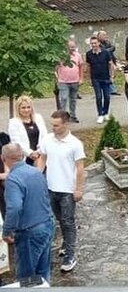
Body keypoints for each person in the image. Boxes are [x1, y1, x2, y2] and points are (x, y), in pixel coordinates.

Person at [36, 110, 85, 273]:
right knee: (59, 219)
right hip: (50, 187)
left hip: (67, 190)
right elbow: (42, 157)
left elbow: (80, 168)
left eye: (56, 125)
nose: (53, 128)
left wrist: (78, 189)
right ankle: (65, 243)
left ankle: (70, 255)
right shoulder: (48, 140)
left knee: (68, 221)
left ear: (65, 124)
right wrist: (37, 176)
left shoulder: (75, 144)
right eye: (52, 125)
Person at [1, 143, 54, 282]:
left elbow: (15, 207)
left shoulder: (13, 179)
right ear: (22, 156)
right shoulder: (36, 172)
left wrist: (7, 231)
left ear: (3, 158)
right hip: (47, 224)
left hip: (29, 232)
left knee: (27, 278)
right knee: (43, 273)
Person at [8, 96, 48, 167]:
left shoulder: (38, 117)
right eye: (23, 108)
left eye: (28, 107)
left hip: (41, 156)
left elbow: (45, 136)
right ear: (18, 109)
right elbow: (16, 142)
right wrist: (30, 153)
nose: (26, 110)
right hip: (25, 157)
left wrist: (39, 151)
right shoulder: (13, 122)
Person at [86, 36, 115, 124]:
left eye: (95, 43)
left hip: (105, 78)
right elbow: (88, 66)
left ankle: (105, 113)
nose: (94, 45)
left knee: (107, 97)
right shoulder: (89, 54)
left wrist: (112, 76)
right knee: (98, 97)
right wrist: (88, 78)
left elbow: (110, 64)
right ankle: (100, 114)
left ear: (99, 43)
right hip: (95, 78)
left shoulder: (105, 52)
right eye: (92, 43)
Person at [56, 40, 83, 123]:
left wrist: (81, 78)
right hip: (63, 81)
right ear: (66, 47)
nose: (73, 48)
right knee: (63, 98)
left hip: (75, 81)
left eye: (74, 47)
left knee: (73, 99)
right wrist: (57, 76)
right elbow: (55, 67)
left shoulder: (78, 55)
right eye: (71, 47)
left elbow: (81, 66)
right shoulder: (61, 56)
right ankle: (62, 117)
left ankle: (73, 116)